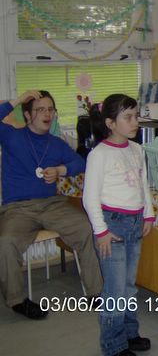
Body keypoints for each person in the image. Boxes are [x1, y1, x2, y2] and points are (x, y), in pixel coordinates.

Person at [0, 89, 102, 319]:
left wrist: (60, 170)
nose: (47, 114)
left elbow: (81, 162)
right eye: (40, 110)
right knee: (5, 242)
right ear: (27, 115)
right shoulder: (11, 136)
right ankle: (18, 301)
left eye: (50, 110)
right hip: (18, 209)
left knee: (87, 228)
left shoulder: (56, 143)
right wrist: (18, 100)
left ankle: (96, 293)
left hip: (52, 205)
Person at [82, 94, 155, 356]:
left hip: (135, 225)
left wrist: (148, 215)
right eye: (128, 117)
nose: (135, 122)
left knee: (129, 286)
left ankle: (129, 333)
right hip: (111, 228)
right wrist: (101, 231)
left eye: (136, 116)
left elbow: (143, 186)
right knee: (114, 290)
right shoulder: (98, 155)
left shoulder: (137, 150)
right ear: (110, 123)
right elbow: (90, 197)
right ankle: (113, 344)